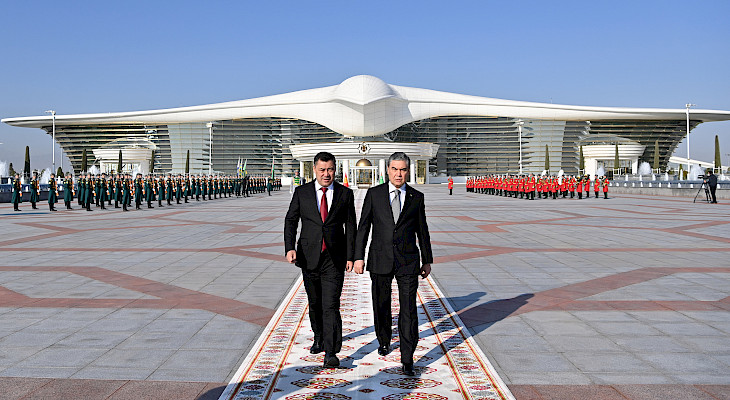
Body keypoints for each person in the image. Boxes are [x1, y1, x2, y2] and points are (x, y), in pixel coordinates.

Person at [353, 151, 433, 377]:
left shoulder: (416, 197)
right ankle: (384, 339)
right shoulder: (374, 194)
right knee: (381, 303)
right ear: (387, 170)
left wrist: (427, 259)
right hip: (380, 258)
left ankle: (407, 357)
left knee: (408, 309)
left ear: (408, 171)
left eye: (403, 170)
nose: (399, 174)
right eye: (395, 169)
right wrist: (358, 256)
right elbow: (363, 227)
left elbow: (422, 230)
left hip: (408, 261)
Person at [284, 152, 356, 369]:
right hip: (309, 256)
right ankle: (318, 336)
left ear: (335, 170)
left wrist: (351, 256)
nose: (326, 174)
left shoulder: (345, 194)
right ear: (314, 169)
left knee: (331, 305)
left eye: (330, 169)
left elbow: (351, 226)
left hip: (334, 258)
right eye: (322, 170)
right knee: (315, 302)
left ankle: (331, 352)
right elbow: (291, 220)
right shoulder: (302, 193)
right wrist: (289, 247)